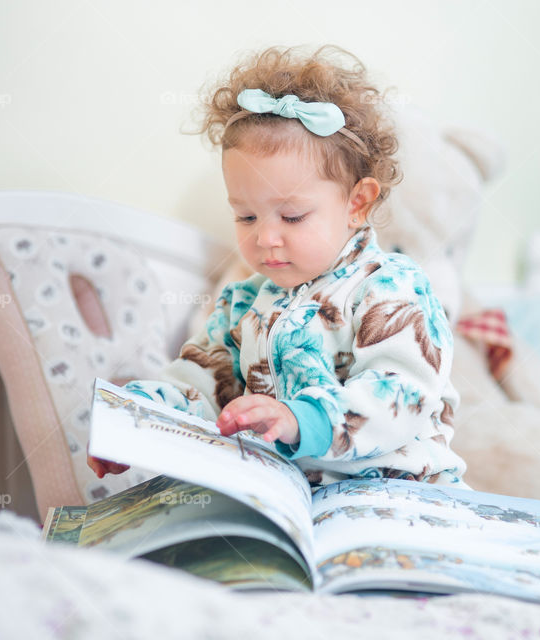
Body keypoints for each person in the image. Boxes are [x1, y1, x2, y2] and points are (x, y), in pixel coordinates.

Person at [88, 44, 468, 488]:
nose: (265, 237)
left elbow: (401, 392)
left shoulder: (393, 288)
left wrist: (304, 419)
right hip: (289, 499)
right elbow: (199, 386)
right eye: (246, 216)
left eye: (291, 217)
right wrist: (141, 419)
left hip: (401, 496)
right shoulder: (244, 301)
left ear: (356, 203)